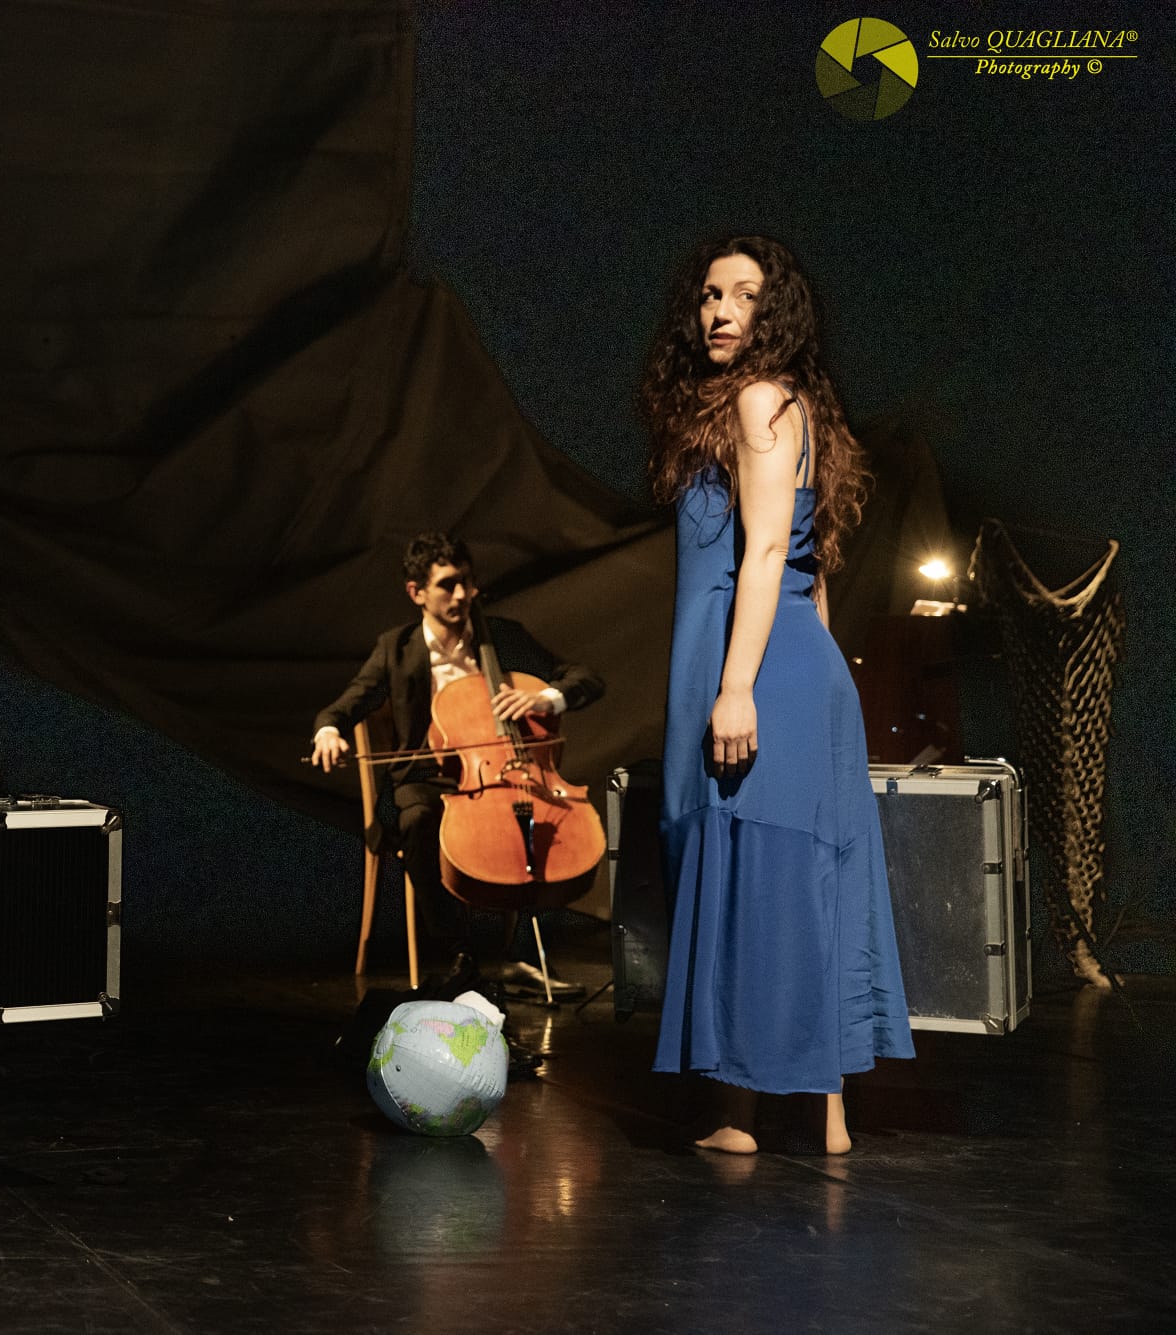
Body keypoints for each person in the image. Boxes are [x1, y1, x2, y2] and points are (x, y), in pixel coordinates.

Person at [641, 235, 912, 1154]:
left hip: (757, 663)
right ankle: (825, 1114)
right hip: (798, 662)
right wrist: (819, 686)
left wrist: (738, 687)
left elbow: (764, 553)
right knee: (801, 882)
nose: (719, 310)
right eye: (709, 294)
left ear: (776, 311)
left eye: (743, 294)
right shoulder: (796, 409)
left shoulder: (758, 401)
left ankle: (737, 1114)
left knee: (754, 876)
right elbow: (813, 570)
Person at [310, 533, 604, 981]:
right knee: (417, 820)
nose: (463, 594)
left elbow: (585, 678)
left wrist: (545, 698)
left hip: (503, 772)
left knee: (537, 823)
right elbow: (345, 706)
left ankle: (521, 954)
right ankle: (460, 952)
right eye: (448, 585)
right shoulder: (396, 648)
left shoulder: (501, 637)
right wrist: (329, 732)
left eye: (466, 581)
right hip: (423, 777)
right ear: (417, 593)